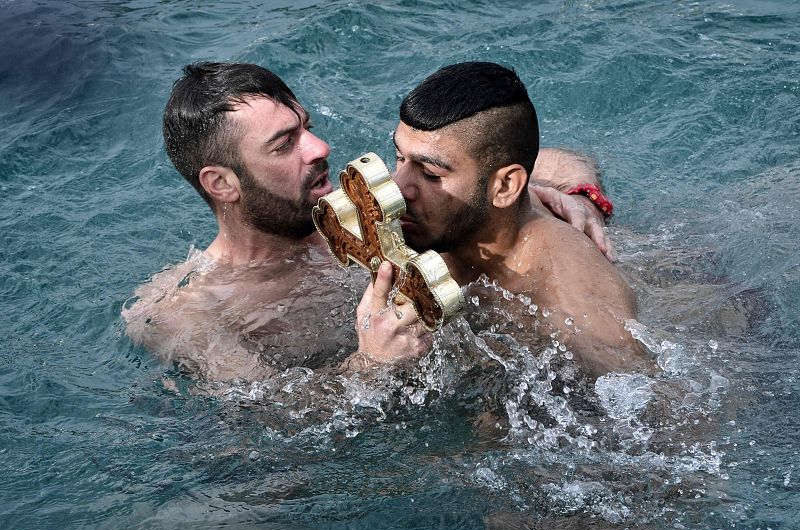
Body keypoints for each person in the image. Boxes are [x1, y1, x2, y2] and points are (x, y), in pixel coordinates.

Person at [122, 62, 614, 381]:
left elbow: (525, 154)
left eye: (307, 127)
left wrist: (578, 196)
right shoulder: (186, 313)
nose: (319, 149)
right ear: (221, 184)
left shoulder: (360, 209)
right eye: (284, 144)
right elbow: (267, 426)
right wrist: (369, 367)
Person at [386, 61, 651, 377]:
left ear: (506, 187)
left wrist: (370, 367)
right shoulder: (462, 200)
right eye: (400, 157)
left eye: (429, 174)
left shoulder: (569, 304)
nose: (396, 187)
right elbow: (551, 160)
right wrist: (585, 196)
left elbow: (663, 409)